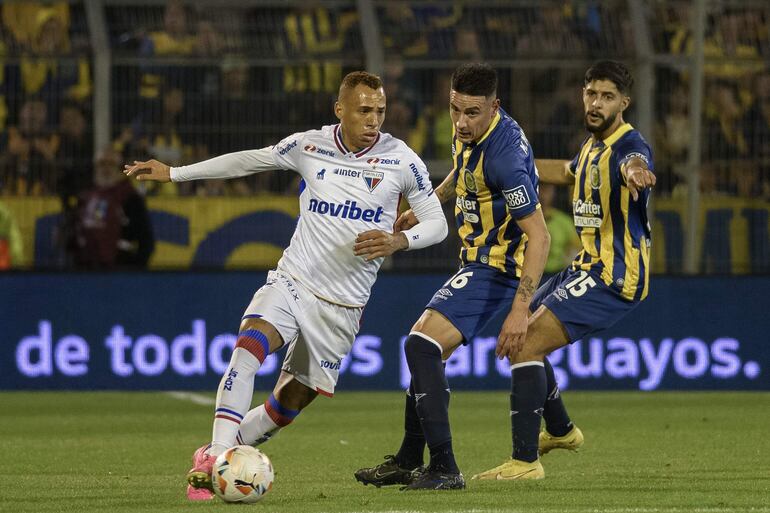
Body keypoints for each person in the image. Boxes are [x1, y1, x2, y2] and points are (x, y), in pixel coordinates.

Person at [123, 71, 448, 501]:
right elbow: (248, 160)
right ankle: (216, 458)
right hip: (293, 280)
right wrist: (176, 173)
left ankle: (234, 448)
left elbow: (438, 224)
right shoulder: (309, 146)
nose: (374, 119)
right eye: (364, 110)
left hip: (343, 307)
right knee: (248, 347)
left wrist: (398, 240)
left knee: (287, 404)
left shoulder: (402, 160)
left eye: (380, 111)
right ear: (341, 110)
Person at [355, 63, 580, 491]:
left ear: (494, 107)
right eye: (456, 110)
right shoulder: (474, 135)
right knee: (425, 352)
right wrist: (430, 204)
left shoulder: (506, 158)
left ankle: (443, 467)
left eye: (472, 113)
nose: (461, 122)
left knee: (421, 345)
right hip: (479, 260)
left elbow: (542, 237)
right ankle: (407, 459)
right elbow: (465, 173)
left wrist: (519, 311)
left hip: (498, 268)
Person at [472, 60, 656, 480]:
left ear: (624, 103)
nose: (596, 103)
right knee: (521, 330)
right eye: (591, 93)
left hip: (613, 276)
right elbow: (565, 172)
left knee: (524, 343)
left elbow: (634, 162)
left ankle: (524, 463)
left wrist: (637, 174)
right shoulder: (591, 147)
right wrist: (509, 166)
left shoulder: (629, 147)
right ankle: (560, 430)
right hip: (584, 267)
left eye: (607, 97)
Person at [70, 146, 154, 269]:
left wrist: (135, 272)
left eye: (111, 164)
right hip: (86, 270)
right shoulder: (86, 197)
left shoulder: (130, 198)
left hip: (120, 270)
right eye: (102, 164)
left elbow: (146, 240)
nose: (106, 168)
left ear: (119, 167)